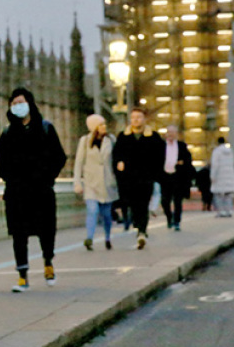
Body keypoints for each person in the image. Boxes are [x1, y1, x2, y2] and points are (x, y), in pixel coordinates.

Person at [0, 87, 67, 292]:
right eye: (14, 103)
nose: (18, 106)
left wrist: (47, 177)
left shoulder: (45, 128)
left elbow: (59, 157)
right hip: (17, 192)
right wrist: (9, 178)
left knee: (46, 230)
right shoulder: (8, 132)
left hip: (41, 190)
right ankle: (22, 275)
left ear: (30, 104)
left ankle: (48, 262)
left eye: (21, 102)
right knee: (19, 233)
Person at [112, 107, 163, 249]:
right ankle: (138, 227)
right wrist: (119, 163)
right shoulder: (123, 136)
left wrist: (155, 173)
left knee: (143, 204)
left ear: (144, 119)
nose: (136, 120)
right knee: (133, 205)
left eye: (139, 117)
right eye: (133, 117)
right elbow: (116, 154)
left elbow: (160, 156)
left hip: (146, 177)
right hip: (128, 179)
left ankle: (142, 231)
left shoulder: (153, 137)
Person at [73, 114, 119, 251]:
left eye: (104, 124)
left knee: (106, 214)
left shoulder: (111, 140)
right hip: (91, 182)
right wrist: (77, 182)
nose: (104, 127)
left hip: (107, 182)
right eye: (100, 124)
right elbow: (79, 162)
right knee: (92, 210)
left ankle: (107, 237)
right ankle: (89, 238)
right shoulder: (85, 141)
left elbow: (116, 159)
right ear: (94, 127)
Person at [159, 125, 193, 231]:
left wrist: (182, 163)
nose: (171, 134)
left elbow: (188, 159)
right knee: (165, 201)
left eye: (173, 132)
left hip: (177, 176)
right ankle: (169, 217)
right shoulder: (161, 146)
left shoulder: (182, 146)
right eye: (169, 132)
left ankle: (177, 221)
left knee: (178, 200)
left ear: (176, 134)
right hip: (165, 176)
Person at [209, 137, 234, 217]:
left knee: (218, 195)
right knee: (228, 194)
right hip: (229, 176)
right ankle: (229, 210)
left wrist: (212, 176)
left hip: (219, 176)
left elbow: (215, 165)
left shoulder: (216, 152)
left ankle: (221, 211)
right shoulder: (230, 151)